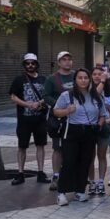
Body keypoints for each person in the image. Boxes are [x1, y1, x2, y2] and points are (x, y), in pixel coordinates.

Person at [51, 68, 107, 205]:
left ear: (90, 80)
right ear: (75, 80)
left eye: (86, 78)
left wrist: (99, 124)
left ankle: (80, 190)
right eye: (80, 78)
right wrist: (67, 111)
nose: (83, 80)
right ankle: (62, 192)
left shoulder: (96, 96)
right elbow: (55, 111)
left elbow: (102, 114)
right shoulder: (67, 95)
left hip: (89, 131)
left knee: (85, 162)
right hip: (72, 131)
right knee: (69, 161)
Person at [8, 53, 49, 185]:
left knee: (40, 145)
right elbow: (13, 96)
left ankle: (41, 172)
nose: (30, 65)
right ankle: (20, 173)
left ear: (37, 64)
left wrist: (39, 103)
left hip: (40, 119)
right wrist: (27, 105)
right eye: (27, 63)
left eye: (33, 63)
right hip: (24, 120)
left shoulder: (44, 79)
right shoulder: (19, 80)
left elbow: (49, 95)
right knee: (22, 146)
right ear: (24, 65)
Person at [43, 51, 77, 190]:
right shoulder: (52, 79)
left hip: (76, 118)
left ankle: (73, 176)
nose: (67, 62)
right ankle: (56, 176)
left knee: (73, 148)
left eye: (69, 59)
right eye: (64, 59)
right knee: (58, 148)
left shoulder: (76, 76)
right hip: (59, 119)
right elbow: (46, 96)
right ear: (59, 62)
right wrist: (59, 105)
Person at [91, 66, 110, 195]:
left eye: (100, 74)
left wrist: (109, 119)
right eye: (94, 74)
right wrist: (103, 82)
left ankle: (100, 181)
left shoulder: (108, 91)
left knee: (102, 155)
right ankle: (91, 181)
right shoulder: (88, 90)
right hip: (91, 126)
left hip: (104, 127)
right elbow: (94, 96)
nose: (97, 76)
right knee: (90, 156)